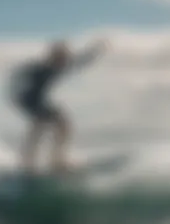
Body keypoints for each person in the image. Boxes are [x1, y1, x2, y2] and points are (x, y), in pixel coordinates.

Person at [10, 38, 109, 173]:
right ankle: (32, 162)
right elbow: (20, 76)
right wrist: (17, 94)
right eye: (61, 57)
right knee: (44, 125)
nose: (63, 62)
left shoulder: (61, 65)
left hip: (38, 100)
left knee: (60, 125)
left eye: (64, 57)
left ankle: (51, 160)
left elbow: (80, 61)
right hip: (27, 99)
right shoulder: (40, 68)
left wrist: (95, 51)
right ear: (53, 57)